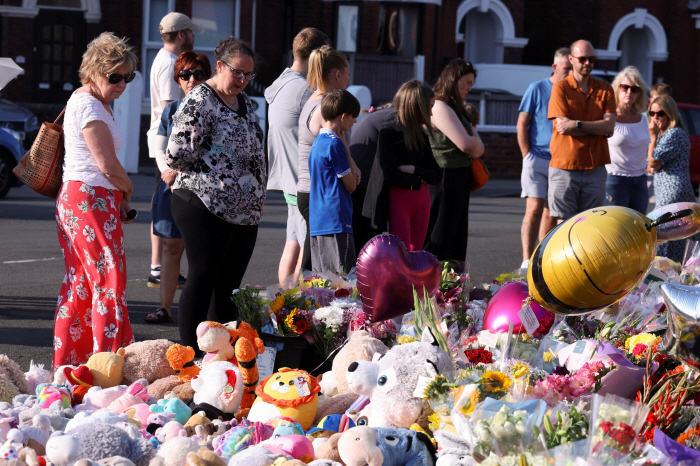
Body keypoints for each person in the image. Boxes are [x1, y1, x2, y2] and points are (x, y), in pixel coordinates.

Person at [164, 37, 266, 351]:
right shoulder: (201, 99)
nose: (242, 80)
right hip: (203, 202)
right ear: (219, 66)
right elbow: (176, 153)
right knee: (204, 275)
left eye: (249, 75)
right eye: (237, 72)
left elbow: (251, 149)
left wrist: (249, 189)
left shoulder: (245, 101)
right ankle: (190, 354)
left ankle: (219, 353)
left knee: (229, 286)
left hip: (243, 211)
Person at [53, 32, 138, 367]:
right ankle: (105, 367)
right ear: (92, 71)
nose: (121, 84)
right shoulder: (89, 104)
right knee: (108, 283)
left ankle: (71, 365)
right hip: (90, 198)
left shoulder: (90, 100)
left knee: (82, 284)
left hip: (82, 197)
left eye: (127, 77)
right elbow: (106, 164)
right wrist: (127, 188)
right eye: (114, 76)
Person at [145, 51, 212, 324]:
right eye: (185, 75)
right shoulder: (172, 109)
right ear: (178, 79)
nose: (192, 79)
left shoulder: (214, 107)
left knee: (203, 251)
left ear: (207, 76)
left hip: (203, 187)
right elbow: (159, 146)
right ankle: (165, 308)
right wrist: (167, 172)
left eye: (198, 73)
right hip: (171, 185)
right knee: (171, 247)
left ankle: (205, 313)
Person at [266, 28, 330, 284]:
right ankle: (296, 308)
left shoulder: (281, 82)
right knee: (306, 248)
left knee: (293, 241)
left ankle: (284, 301)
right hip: (303, 179)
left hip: (286, 175)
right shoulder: (306, 91)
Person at [146, 12, 202, 289]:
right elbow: (174, 108)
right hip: (168, 145)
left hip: (159, 142)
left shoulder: (159, 58)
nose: (193, 36)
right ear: (182, 34)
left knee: (161, 209)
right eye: (191, 32)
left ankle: (158, 265)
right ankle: (159, 267)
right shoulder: (172, 64)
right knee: (167, 208)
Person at [297, 45, 360, 271]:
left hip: (313, 193)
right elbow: (339, 144)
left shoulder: (312, 101)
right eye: (348, 75)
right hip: (328, 200)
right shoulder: (325, 109)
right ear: (338, 75)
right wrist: (352, 170)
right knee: (337, 271)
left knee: (316, 267)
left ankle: (298, 303)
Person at [365, 80, 441, 251]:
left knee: (417, 254)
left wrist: (413, 170)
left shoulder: (421, 134)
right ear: (417, 106)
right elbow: (391, 174)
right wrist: (420, 176)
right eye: (429, 107)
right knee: (401, 254)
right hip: (400, 200)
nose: (430, 113)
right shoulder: (389, 132)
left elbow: (436, 174)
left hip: (421, 200)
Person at [547, 40, 616, 224]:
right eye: (582, 59)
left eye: (591, 59)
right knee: (564, 224)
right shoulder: (560, 88)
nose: (587, 63)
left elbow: (609, 127)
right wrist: (597, 127)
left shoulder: (606, 89)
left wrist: (576, 124)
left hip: (595, 166)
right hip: (565, 166)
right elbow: (563, 128)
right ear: (571, 59)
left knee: (590, 225)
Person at [423, 59, 484, 262]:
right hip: (445, 177)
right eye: (467, 82)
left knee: (455, 236)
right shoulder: (438, 105)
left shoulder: (454, 109)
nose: (469, 88)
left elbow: (476, 144)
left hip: (457, 177)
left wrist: (475, 144)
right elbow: (467, 145)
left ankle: (451, 286)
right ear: (453, 78)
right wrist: (475, 144)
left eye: (472, 84)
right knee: (441, 234)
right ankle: (435, 282)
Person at [517, 48, 572, 269]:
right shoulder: (537, 89)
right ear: (555, 67)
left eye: (572, 68)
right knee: (534, 207)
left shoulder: (572, 91)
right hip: (537, 156)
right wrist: (526, 155)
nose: (570, 73)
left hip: (561, 160)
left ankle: (540, 261)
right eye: (566, 69)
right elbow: (522, 123)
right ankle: (525, 260)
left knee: (551, 212)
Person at [308, 89, 361, 273]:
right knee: (343, 280)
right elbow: (351, 185)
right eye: (353, 117)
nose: (355, 121)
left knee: (322, 281)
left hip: (318, 220)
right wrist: (347, 150)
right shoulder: (335, 143)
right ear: (344, 116)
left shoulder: (317, 142)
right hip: (337, 219)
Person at [647, 95, 698, 262]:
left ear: (669, 113)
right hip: (668, 190)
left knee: (666, 233)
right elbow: (653, 166)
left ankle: (668, 272)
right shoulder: (667, 134)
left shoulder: (673, 133)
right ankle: (673, 270)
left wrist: (652, 137)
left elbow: (653, 161)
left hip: (672, 191)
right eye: (651, 113)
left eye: (659, 114)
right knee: (675, 234)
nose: (655, 118)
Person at [604, 66, 650, 213]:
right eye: (625, 87)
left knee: (639, 227)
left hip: (640, 181)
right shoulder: (608, 118)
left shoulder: (643, 119)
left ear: (639, 93)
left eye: (634, 89)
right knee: (615, 227)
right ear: (617, 89)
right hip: (615, 180)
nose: (629, 92)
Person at [348, 103, 392, 252]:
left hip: (359, 177)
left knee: (359, 235)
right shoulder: (395, 119)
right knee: (366, 238)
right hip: (365, 182)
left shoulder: (381, 116)